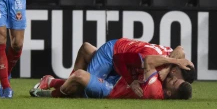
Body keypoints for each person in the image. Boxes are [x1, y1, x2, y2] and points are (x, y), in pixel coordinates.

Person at [30, 39, 195, 99]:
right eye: (175, 75)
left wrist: (170, 65)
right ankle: (52, 88)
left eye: (175, 82)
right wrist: (170, 65)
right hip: (114, 53)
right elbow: (122, 59)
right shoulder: (159, 72)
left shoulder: (167, 57)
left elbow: (180, 49)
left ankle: (51, 81)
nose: (172, 78)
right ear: (175, 68)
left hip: (118, 75)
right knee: (78, 83)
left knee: (87, 49)